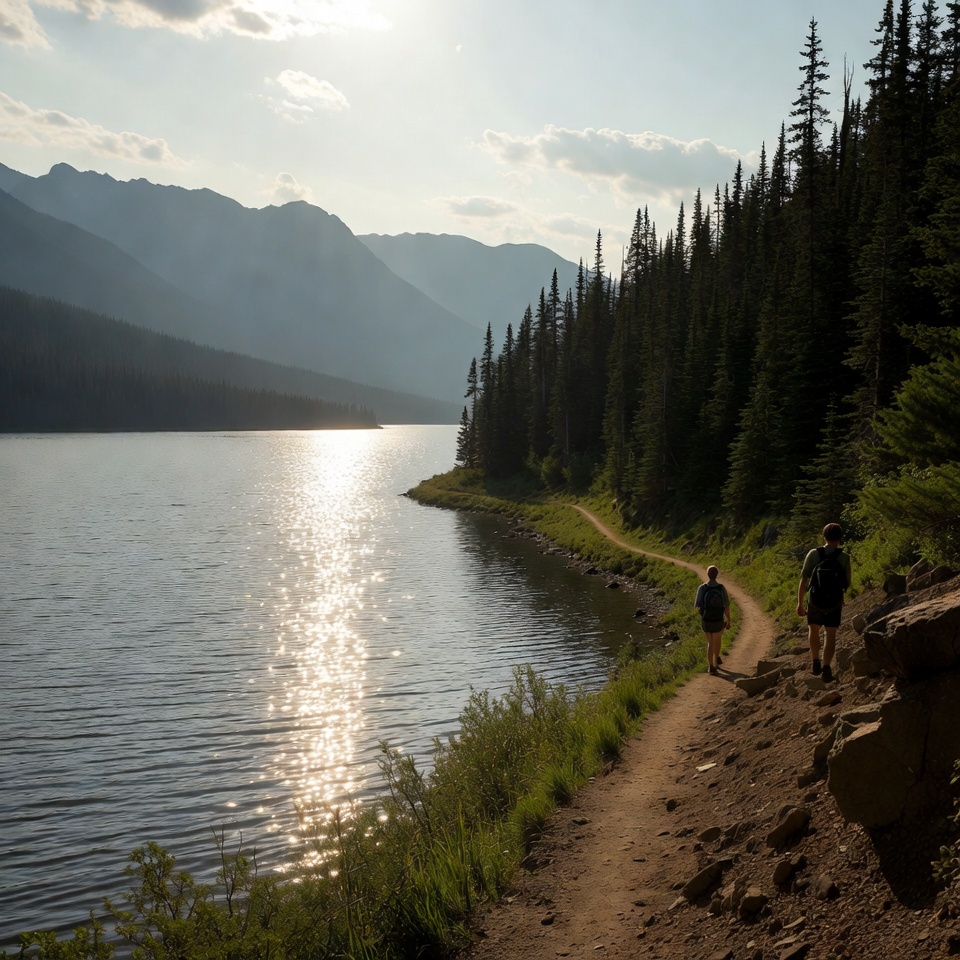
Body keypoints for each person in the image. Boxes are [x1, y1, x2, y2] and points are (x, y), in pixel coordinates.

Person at [797, 522, 852, 684]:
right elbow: (847, 583)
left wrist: (800, 603)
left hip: (815, 601)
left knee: (813, 629)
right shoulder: (844, 557)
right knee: (830, 633)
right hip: (834, 602)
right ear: (840, 538)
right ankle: (827, 668)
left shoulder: (814, 554)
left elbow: (804, 579)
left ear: (824, 536)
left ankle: (815, 662)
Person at [694, 565, 730, 675]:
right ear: (717, 574)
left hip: (706, 620)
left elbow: (697, 605)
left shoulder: (702, 587)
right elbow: (726, 606)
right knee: (717, 641)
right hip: (718, 619)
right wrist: (728, 620)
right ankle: (716, 663)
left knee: (710, 643)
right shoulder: (721, 588)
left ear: (707, 574)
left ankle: (710, 666)